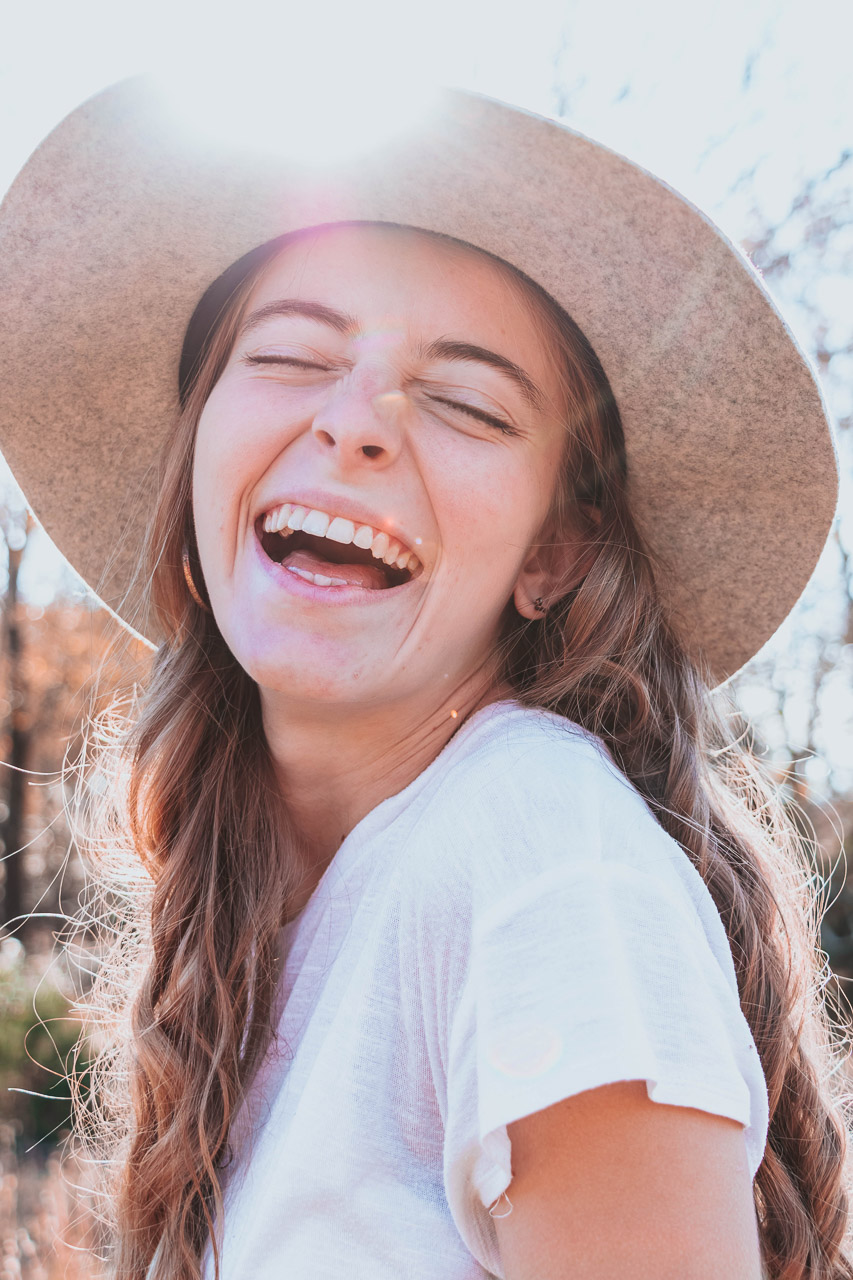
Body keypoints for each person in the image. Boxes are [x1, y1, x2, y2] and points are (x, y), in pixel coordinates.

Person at [0, 76, 848, 1280]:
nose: (356, 422)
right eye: (291, 354)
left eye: (463, 401)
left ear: (553, 555)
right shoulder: (287, 896)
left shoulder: (544, 865)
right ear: (199, 458)